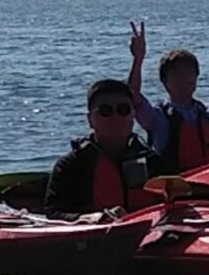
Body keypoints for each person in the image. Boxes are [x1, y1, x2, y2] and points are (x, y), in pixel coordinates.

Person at [45, 78, 165, 216]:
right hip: (94, 234)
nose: (115, 117)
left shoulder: (153, 162)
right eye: (105, 111)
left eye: (123, 110)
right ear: (90, 120)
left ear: (133, 115)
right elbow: (53, 212)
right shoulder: (72, 166)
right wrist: (94, 219)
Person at [125, 21, 209, 175]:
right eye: (176, 74)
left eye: (189, 73)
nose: (184, 79)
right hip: (177, 191)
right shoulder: (157, 117)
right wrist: (138, 59)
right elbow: (132, 96)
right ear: (164, 81)